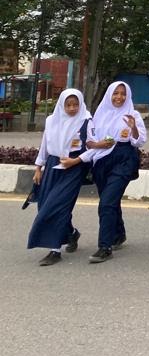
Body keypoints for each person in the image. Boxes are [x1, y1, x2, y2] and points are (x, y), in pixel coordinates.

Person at [27, 89, 93, 266]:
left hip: (73, 168)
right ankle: (71, 234)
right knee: (44, 205)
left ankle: (54, 250)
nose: (72, 108)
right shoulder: (52, 120)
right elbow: (45, 146)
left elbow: (94, 148)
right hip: (52, 166)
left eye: (75, 104)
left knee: (55, 206)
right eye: (68, 105)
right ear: (61, 105)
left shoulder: (86, 121)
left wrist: (76, 161)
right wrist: (38, 168)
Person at [83, 81, 146, 264]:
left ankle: (105, 246)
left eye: (123, 93)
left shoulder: (132, 114)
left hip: (124, 158)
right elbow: (89, 140)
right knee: (110, 201)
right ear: (109, 94)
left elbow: (139, 141)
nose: (119, 97)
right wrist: (97, 144)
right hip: (101, 159)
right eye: (116, 93)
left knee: (107, 203)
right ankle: (118, 233)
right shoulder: (99, 114)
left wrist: (133, 127)